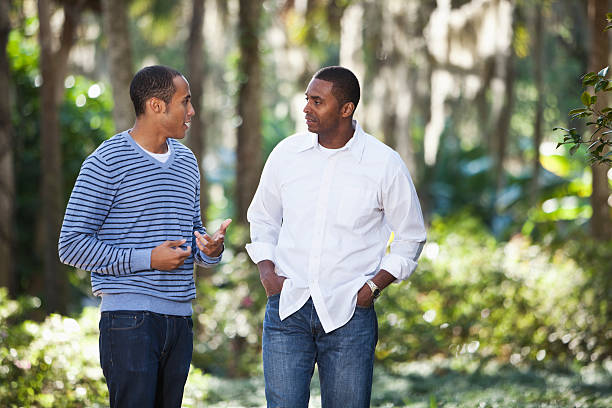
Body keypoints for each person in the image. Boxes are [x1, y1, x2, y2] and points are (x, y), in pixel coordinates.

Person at [246, 66, 427, 408]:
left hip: (349, 315)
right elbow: (263, 217)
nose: (306, 108)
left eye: (317, 101)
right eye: (307, 99)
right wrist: (267, 272)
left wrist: (371, 288)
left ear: (346, 109)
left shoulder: (383, 163)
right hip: (287, 309)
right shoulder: (286, 155)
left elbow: (411, 237)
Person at [58, 65, 231, 408]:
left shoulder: (186, 161)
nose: (192, 111)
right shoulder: (106, 161)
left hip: (180, 320)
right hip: (129, 321)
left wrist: (209, 248)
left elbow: (190, 233)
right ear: (156, 105)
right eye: (185, 102)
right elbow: (71, 245)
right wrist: (147, 259)